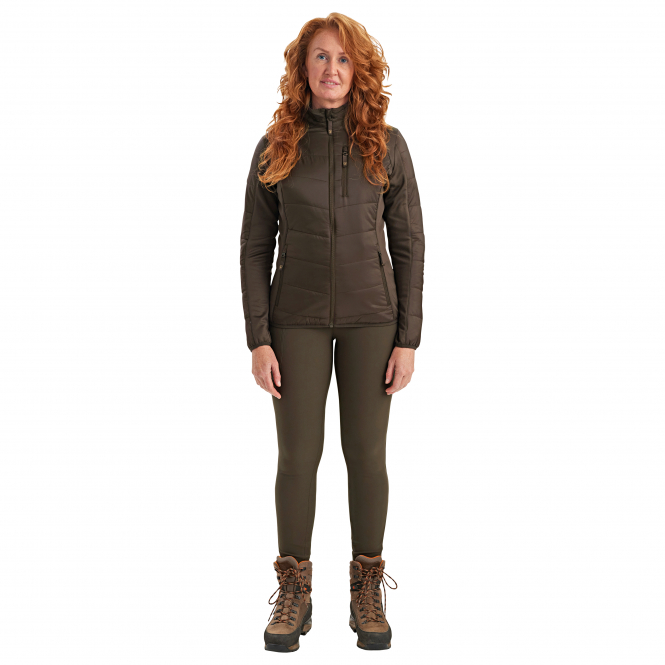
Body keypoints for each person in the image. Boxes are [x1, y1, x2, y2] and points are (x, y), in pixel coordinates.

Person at [239, 13, 425, 652]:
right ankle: (294, 591)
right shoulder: (276, 147)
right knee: (298, 457)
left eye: (344, 59)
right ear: (303, 67)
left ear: (359, 69)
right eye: (320, 57)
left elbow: (409, 242)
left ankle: (366, 589)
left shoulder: (386, 145)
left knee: (366, 454)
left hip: (373, 317)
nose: (332, 69)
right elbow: (254, 247)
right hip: (295, 318)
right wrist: (259, 338)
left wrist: (408, 338)